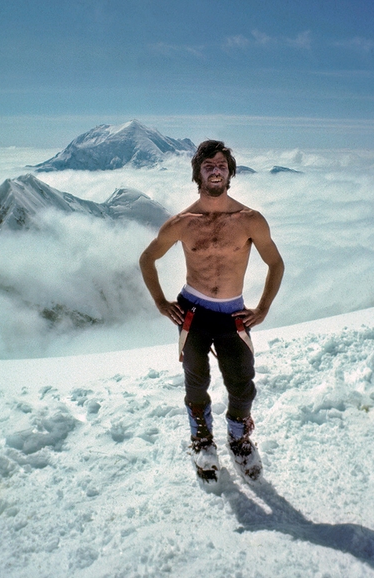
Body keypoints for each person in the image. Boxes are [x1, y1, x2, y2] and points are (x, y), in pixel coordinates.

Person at [139, 140, 284, 482]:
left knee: (242, 382)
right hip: (193, 311)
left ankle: (238, 436)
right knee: (196, 380)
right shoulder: (183, 222)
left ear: (230, 172)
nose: (215, 170)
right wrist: (162, 303)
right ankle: (202, 440)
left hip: (233, 313)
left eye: (221, 165)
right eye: (208, 166)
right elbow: (147, 258)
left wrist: (263, 307)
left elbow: (275, 263)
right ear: (198, 174)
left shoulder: (250, 220)